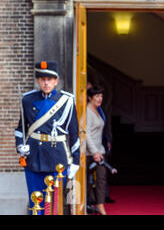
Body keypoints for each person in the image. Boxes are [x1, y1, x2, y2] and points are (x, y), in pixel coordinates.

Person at [14, 61, 80, 214]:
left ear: (56, 81)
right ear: (38, 81)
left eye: (50, 79)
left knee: (53, 204)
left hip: (57, 159)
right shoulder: (27, 99)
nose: (46, 82)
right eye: (42, 79)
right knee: (35, 201)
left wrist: (75, 161)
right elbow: (20, 129)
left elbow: (74, 133)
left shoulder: (67, 101)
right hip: (33, 158)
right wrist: (20, 146)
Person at [86, 86, 108, 215]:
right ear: (90, 97)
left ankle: (100, 205)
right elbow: (86, 134)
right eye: (97, 96)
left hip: (100, 151)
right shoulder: (88, 112)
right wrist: (94, 152)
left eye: (101, 96)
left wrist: (100, 151)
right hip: (90, 153)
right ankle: (86, 205)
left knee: (101, 179)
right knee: (88, 181)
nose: (100, 99)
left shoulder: (97, 110)